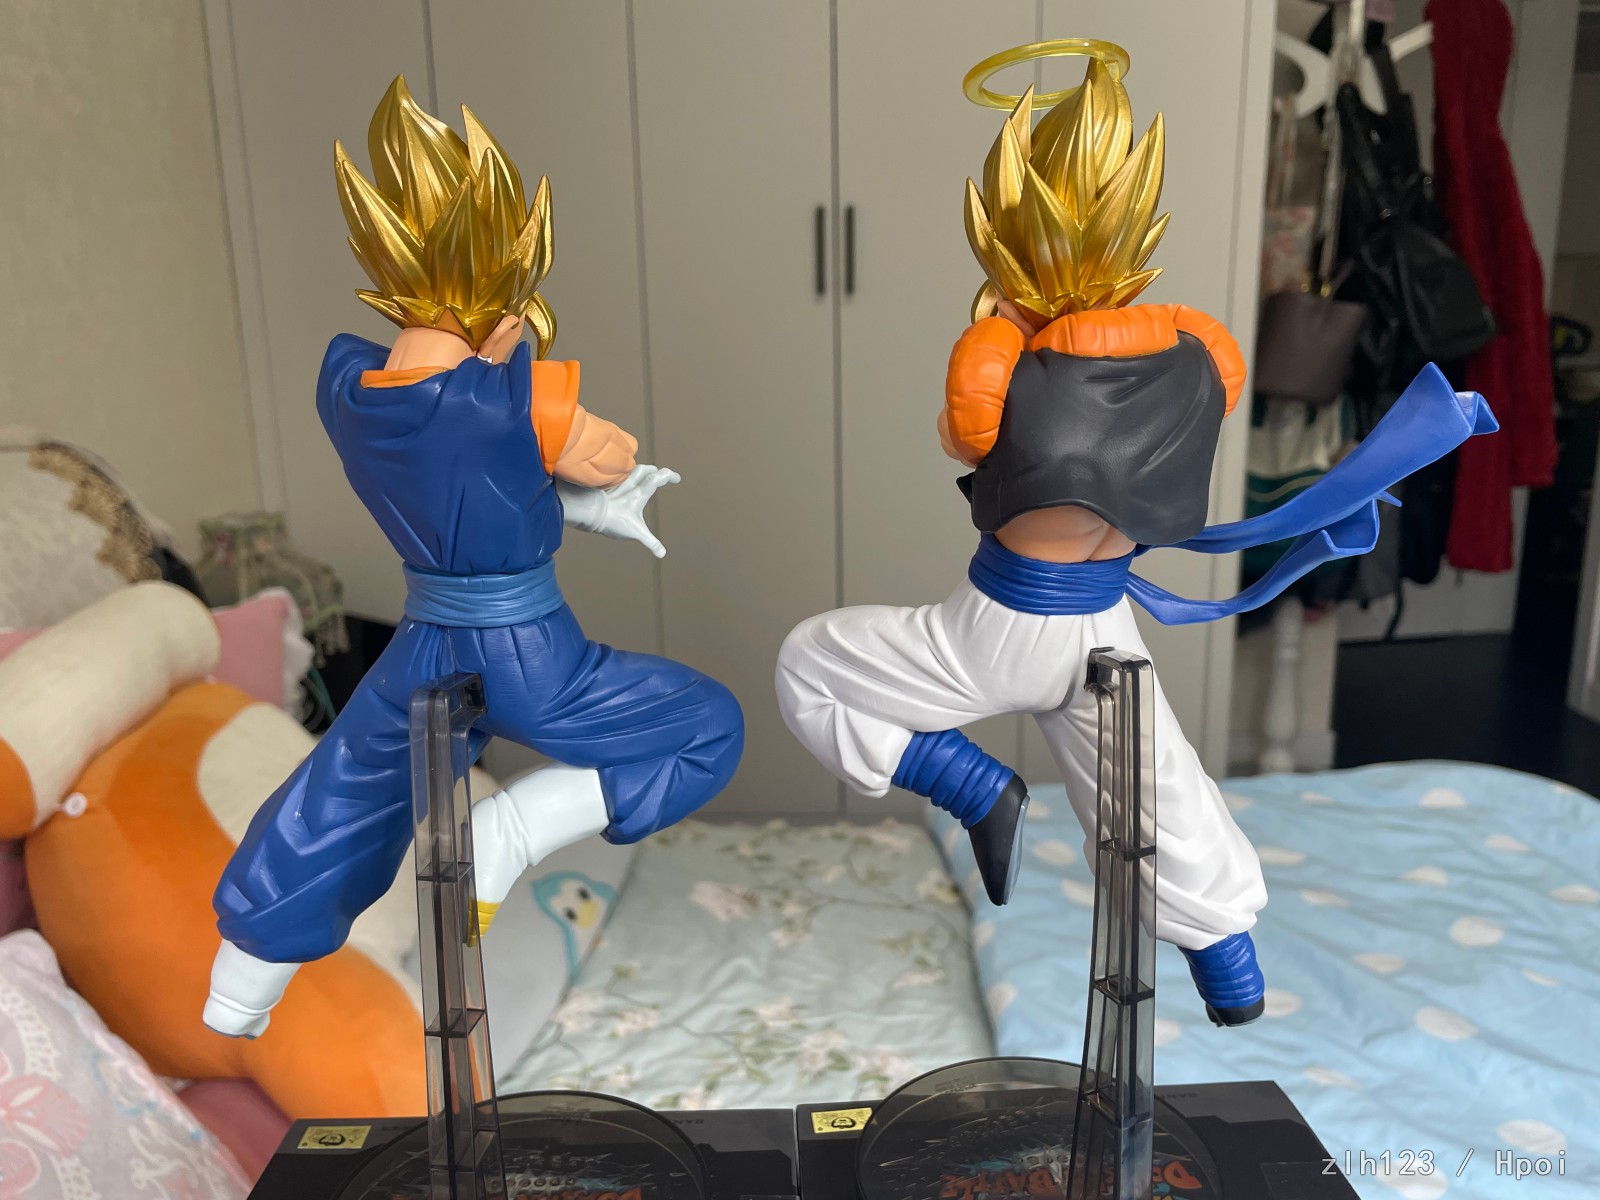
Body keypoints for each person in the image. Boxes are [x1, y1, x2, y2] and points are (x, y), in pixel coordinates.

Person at [775, 49, 1494, 1026]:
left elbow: (966, 432)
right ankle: (1228, 964)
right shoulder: (1194, 349)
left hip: (999, 626)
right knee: (1163, 792)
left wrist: (1003, 323)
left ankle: (969, 784)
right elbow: (1216, 384)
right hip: (1105, 628)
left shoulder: (1002, 356)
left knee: (811, 664)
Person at [204, 78, 744, 1039]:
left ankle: (243, 982)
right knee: (706, 726)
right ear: (501, 297)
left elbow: (451, 485)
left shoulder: (348, 387)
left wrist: (556, 503)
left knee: (343, 791)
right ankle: (516, 829)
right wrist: (568, 451)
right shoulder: (516, 399)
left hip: (424, 640)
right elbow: (611, 450)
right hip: (527, 646)